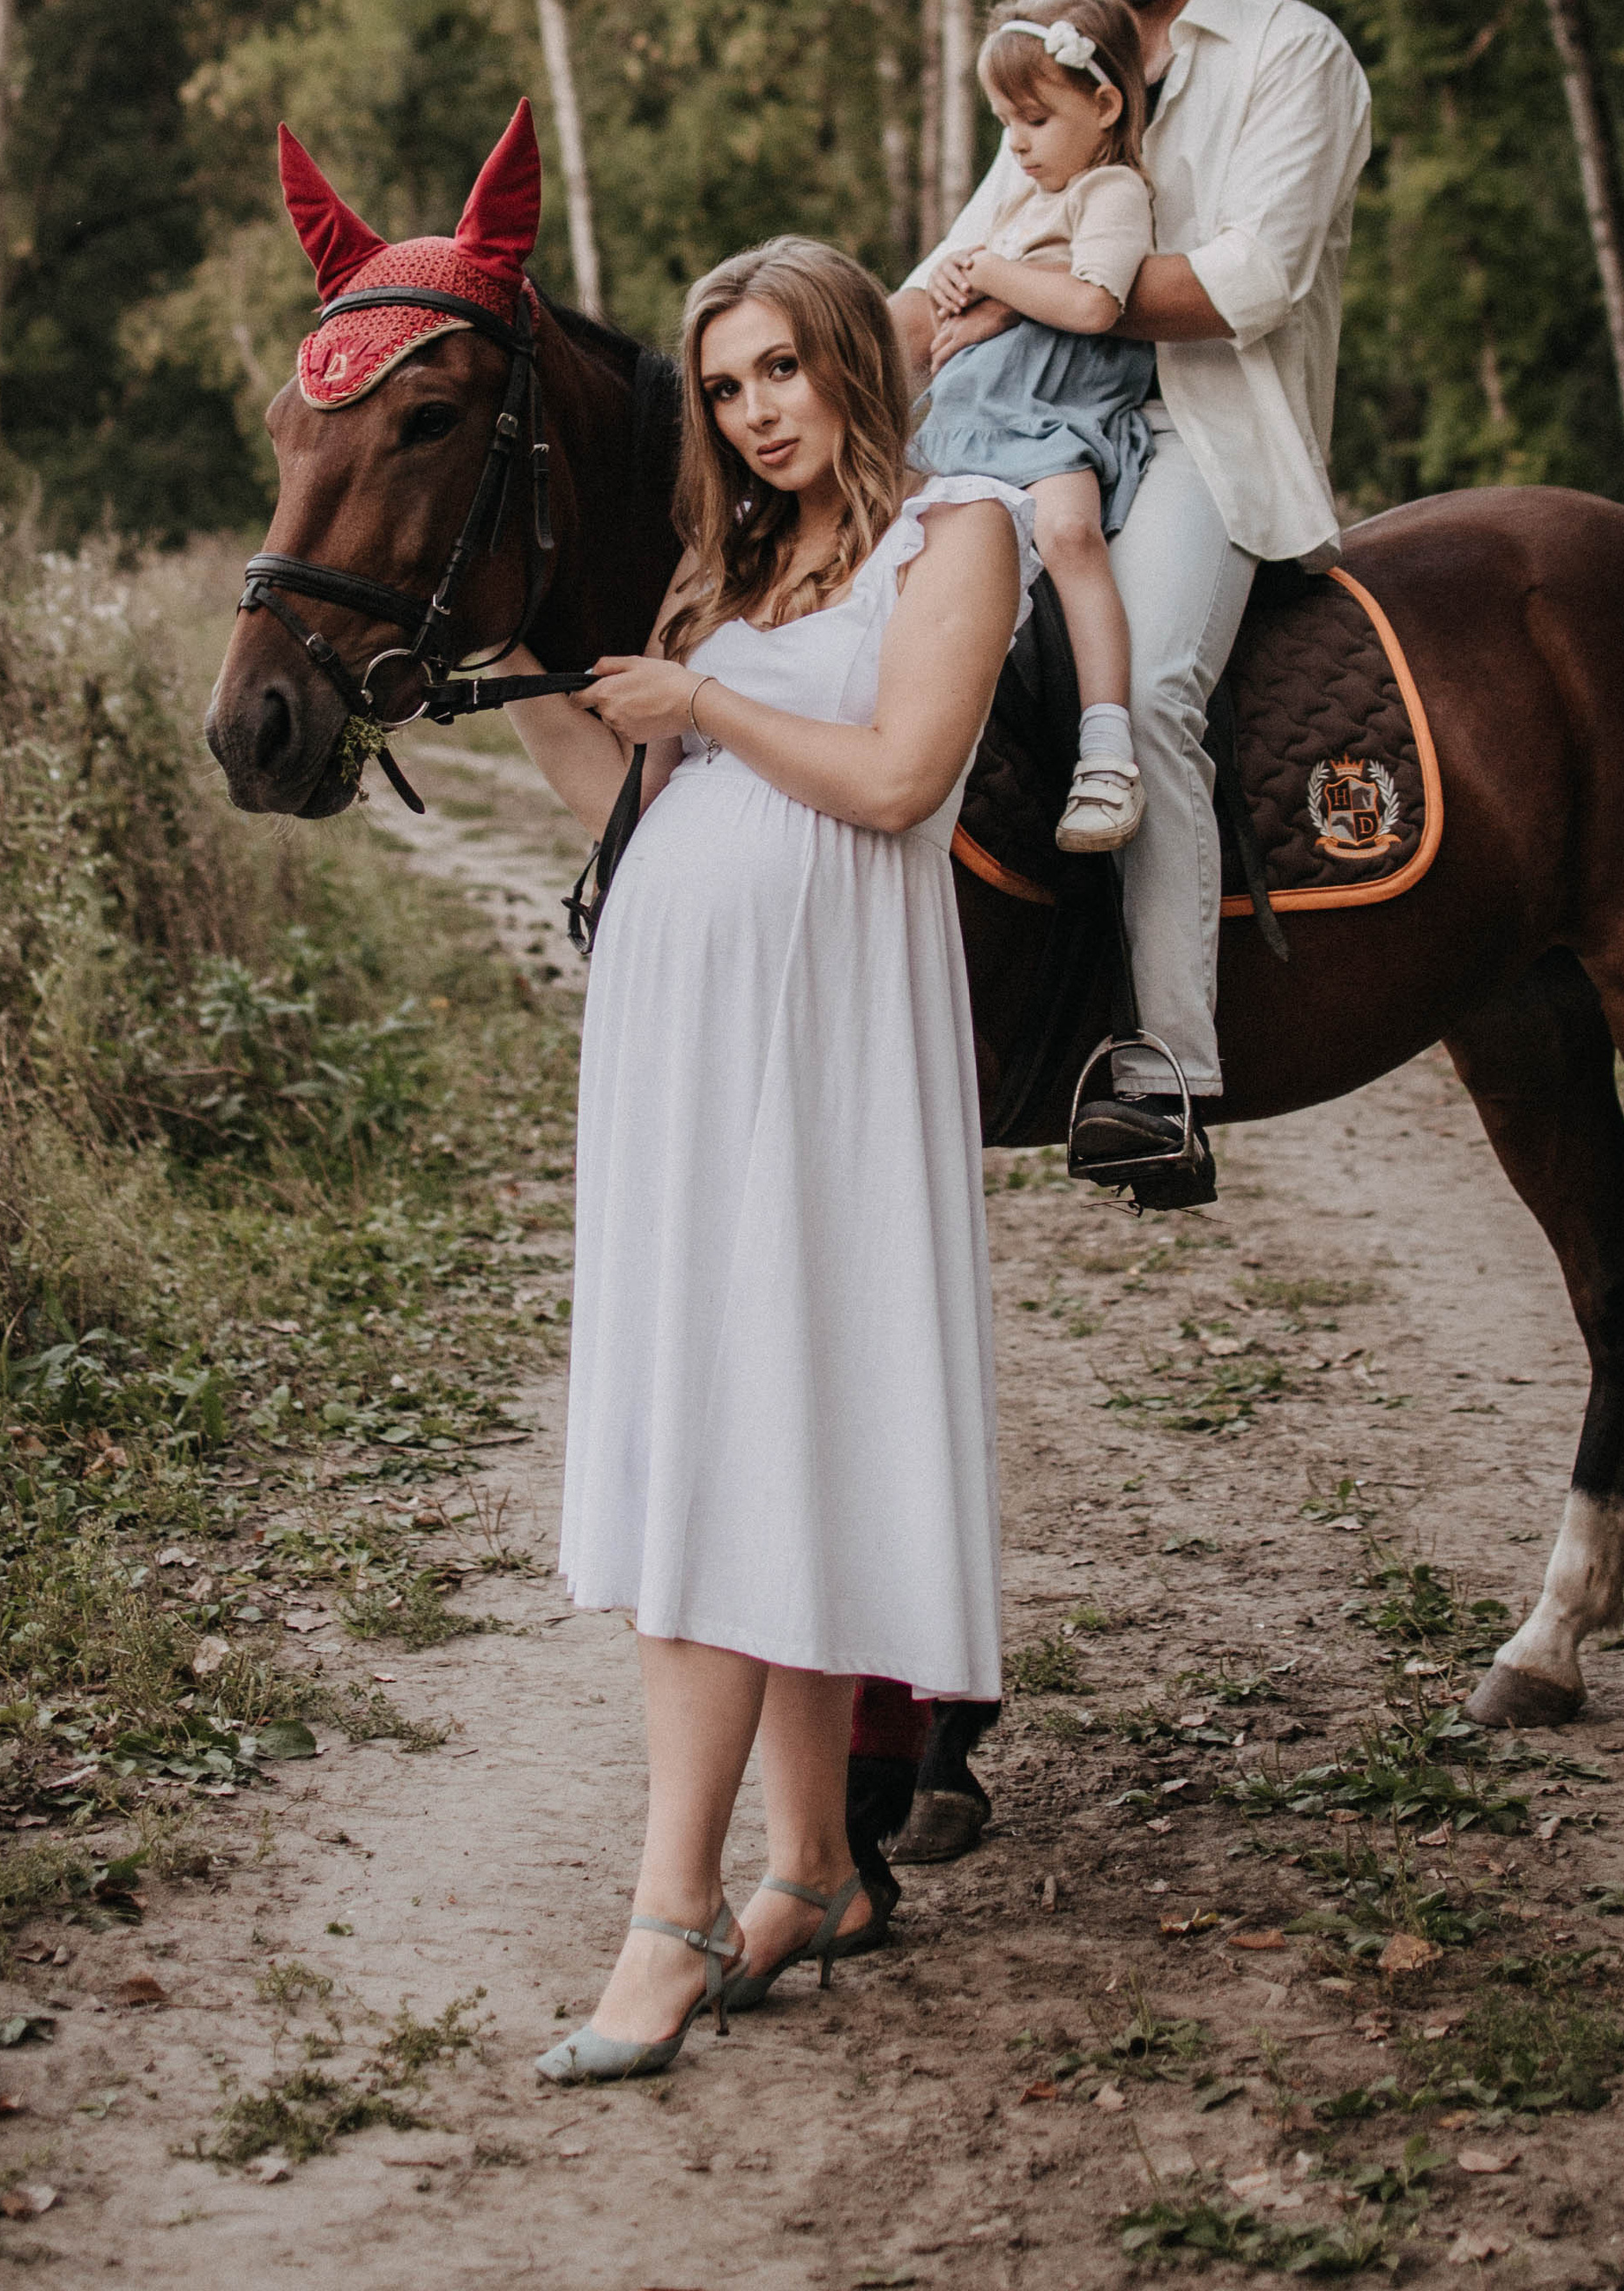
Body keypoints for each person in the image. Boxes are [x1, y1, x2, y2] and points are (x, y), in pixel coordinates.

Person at [494, 238, 1034, 2082]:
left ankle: (666, 1920)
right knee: (747, 1438)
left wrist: (704, 704)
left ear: (849, 367)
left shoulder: (952, 535)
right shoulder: (718, 576)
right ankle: (807, 1868)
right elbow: (636, 821)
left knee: (724, 1460)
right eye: (724, 388)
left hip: (817, 1053)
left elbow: (895, 779)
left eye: (782, 370)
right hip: (677, 1054)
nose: (753, 410)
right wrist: (551, 685)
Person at [894, 0, 1371, 1190]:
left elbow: (1251, 283)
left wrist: (1025, 292)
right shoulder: (1064, 62)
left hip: (1203, 439)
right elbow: (964, 255)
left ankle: (1166, 1066)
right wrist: (825, 346)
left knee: (1151, 678)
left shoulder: (1295, 55)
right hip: (1038, 427)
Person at [915, 0, 1156, 852]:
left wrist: (988, 276)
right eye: (1003, 122)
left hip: (1055, 408)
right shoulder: (1022, 194)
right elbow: (996, 283)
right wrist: (957, 280)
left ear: (1102, 105)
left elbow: (1093, 304)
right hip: (981, 403)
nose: (1014, 143)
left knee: (1069, 537)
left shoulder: (1111, 190)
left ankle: (1106, 748)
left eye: (1034, 119)